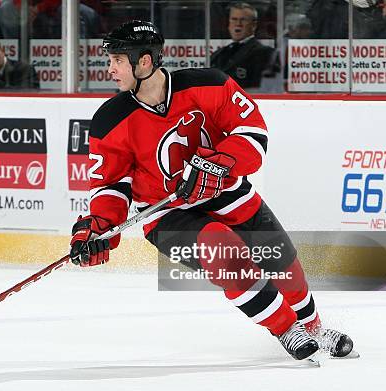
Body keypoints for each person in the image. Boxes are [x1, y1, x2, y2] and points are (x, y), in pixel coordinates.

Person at [69, 20, 355, 361]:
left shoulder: (210, 84)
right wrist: (100, 226)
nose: (111, 69)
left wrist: (216, 164)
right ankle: (285, 328)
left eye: (117, 60)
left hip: (228, 193)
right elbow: (111, 185)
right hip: (167, 213)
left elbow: (253, 134)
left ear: (144, 61)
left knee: (283, 264)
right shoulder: (110, 120)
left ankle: (312, 327)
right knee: (225, 251)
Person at [210, 2, 277, 91]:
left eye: (243, 20)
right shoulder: (217, 54)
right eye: (234, 19)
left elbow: (265, 88)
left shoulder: (265, 54)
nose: (238, 24)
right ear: (229, 24)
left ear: (253, 25)